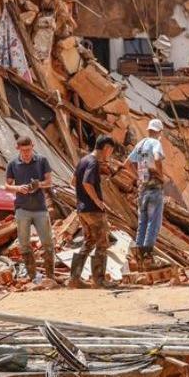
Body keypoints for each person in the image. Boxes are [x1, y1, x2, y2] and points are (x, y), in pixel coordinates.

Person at [4, 136, 55, 282]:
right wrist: (18, 188)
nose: (26, 153)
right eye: (23, 150)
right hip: (22, 209)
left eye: (29, 150)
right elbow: (7, 186)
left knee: (47, 243)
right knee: (24, 244)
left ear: (33, 146)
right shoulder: (13, 164)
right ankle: (33, 277)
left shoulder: (42, 161)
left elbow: (49, 182)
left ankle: (50, 277)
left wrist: (38, 185)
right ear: (17, 149)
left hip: (40, 208)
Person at [70, 135, 117, 288]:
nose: (110, 154)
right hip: (93, 210)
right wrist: (98, 201)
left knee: (89, 242)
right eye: (111, 151)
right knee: (102, 243)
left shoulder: (83, 161)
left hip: (82, 210)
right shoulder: (93, 162)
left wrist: (81, 198)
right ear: (107, 148)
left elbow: (73, 181)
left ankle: (74, 279)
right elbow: (86, 182)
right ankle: (99, 280)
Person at [125, 119, 169, 268]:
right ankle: (148, 258)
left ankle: (138, 258)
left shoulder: (140, 144)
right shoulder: (155, 143)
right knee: (153, 223)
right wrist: (160, 175)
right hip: (154, 189)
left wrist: (138, 177)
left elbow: (127, 163)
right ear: (159, 132)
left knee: (142, 223)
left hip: (142, 189)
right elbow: (157, 158)